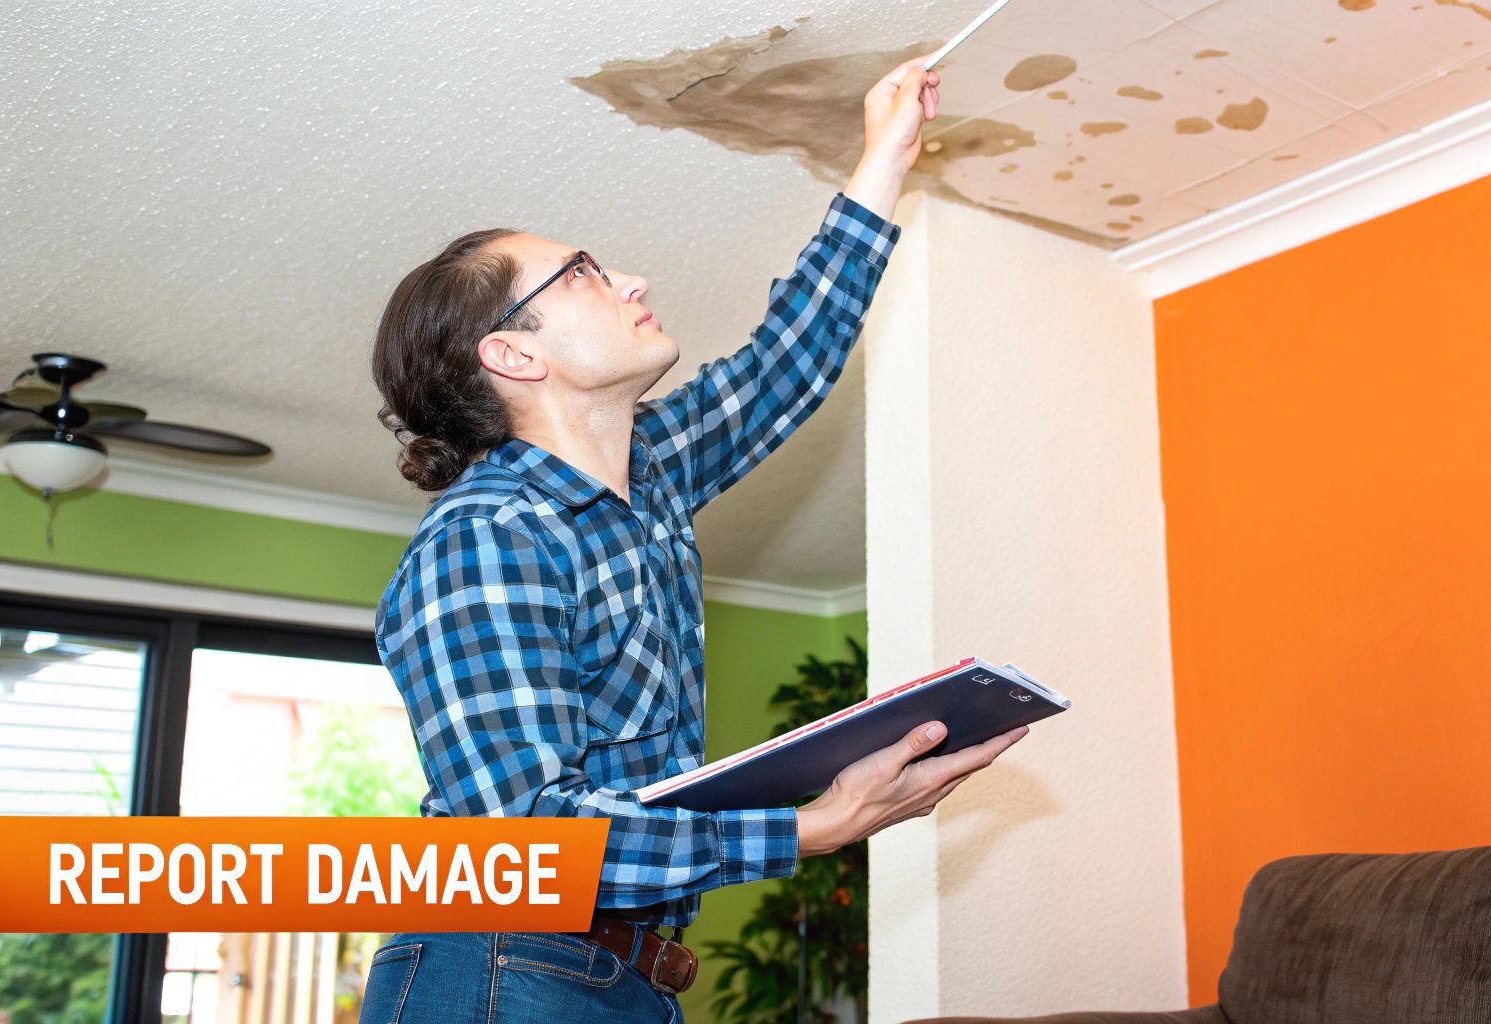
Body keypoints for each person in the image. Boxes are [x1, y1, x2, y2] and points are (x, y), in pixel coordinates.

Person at [362, 57, 1027, 1023]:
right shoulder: (486, 540)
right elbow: (533, 838)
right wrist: (807, 829)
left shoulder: (649, 476)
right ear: (511, 353)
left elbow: (788, 360)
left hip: (613, 975)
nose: (629, 279)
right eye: (582, 274)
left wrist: (884, 156)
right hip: (504, 966)